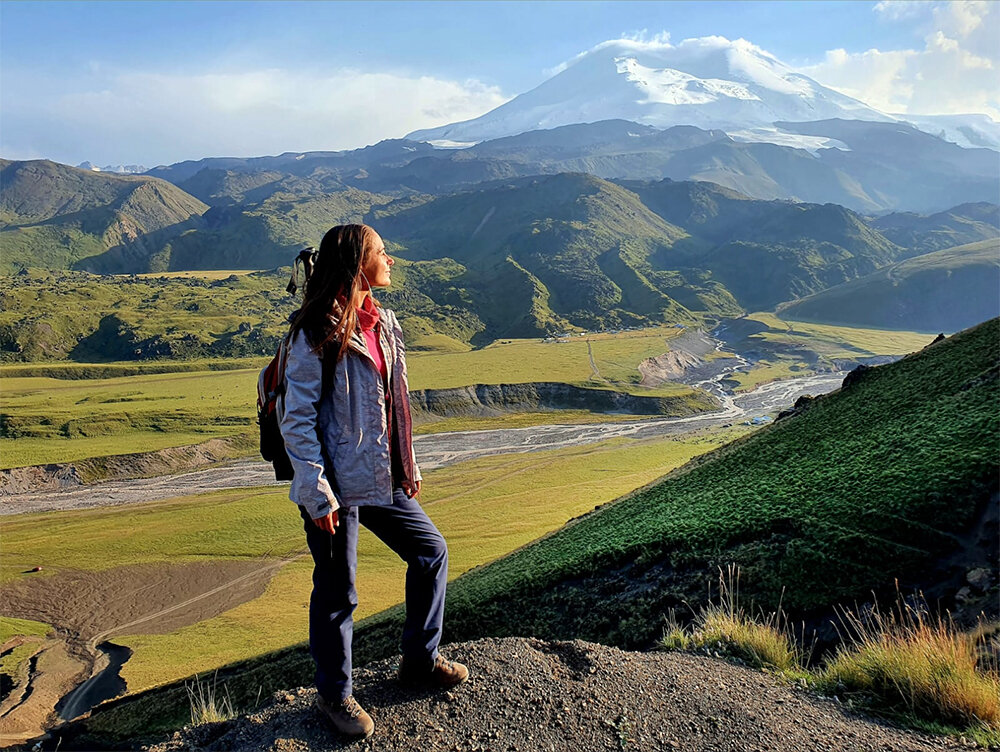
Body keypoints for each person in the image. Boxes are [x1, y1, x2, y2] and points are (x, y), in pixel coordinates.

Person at [280, 224, 468, 738]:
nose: (391, 260)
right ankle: (335, 696)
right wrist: (318, 493)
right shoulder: (314, 330)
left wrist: (408, 466)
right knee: (340, 591)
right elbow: (296, 419)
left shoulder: (382, 322)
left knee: (431, 551)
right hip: (334, 486)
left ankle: (419, 663)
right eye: (382, 253)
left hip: (379, 474)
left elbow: (395, 402)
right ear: (358, 264)